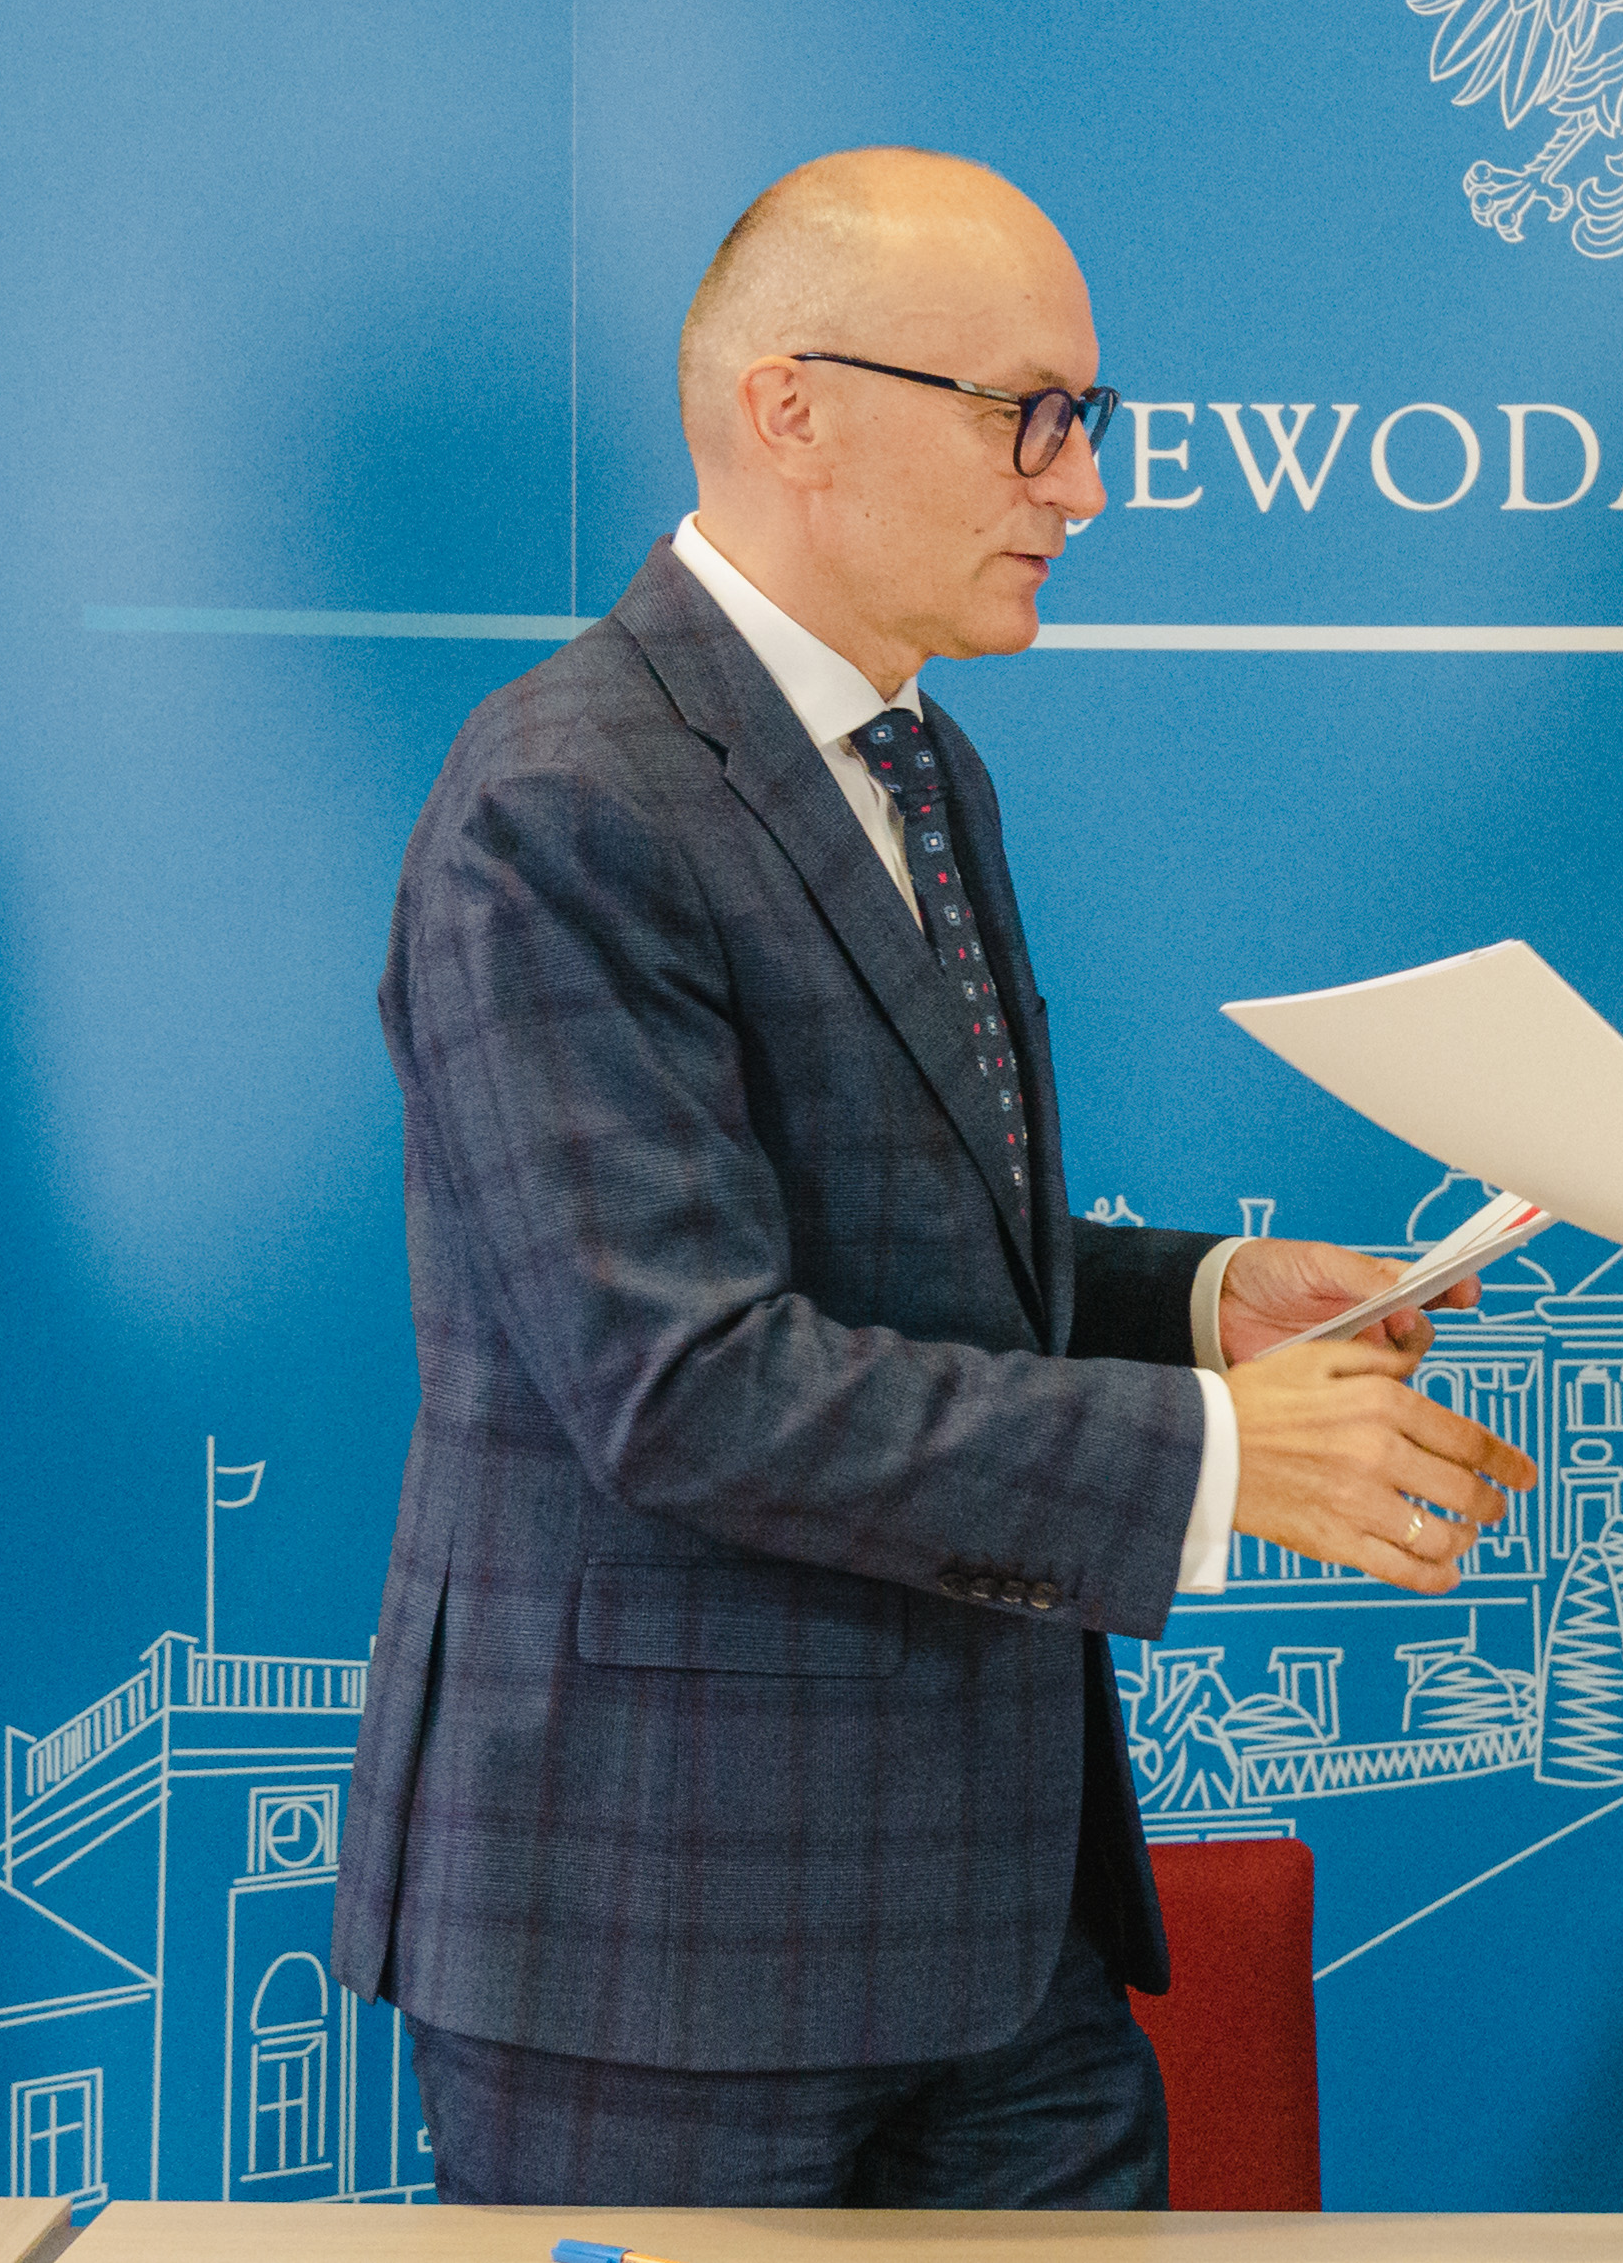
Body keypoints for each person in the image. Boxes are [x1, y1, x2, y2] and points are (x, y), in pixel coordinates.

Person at [334, 149, 1540, 2209]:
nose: (1086, 487)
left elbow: (890, 1251)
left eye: (1091, 418)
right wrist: (1214, 1452)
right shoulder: (560, 797)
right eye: (1029, 417)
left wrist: (1194, 1304)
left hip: (992, 1928)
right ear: (793, 408)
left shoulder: (920, 764)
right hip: (663, 1942)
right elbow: (684, 1380)